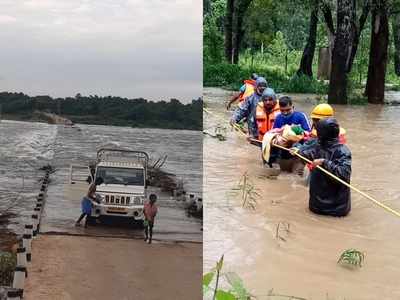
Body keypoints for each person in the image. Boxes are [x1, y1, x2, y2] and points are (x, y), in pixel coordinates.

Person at [291, 118, 351, 217]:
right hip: (316, 206)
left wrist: (324, 162)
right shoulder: (316, 145)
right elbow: (304, 153)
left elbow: (344, 174)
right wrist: (297, 151)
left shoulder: (342, 151)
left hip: (337, 208)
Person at [267, 96, 311, 172]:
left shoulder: (300, 116)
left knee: (297, 175)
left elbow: (309, 135)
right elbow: (272, 134)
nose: (285, 113)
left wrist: (296, 130)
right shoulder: (278, 118)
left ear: (292, 107)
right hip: (284, 152)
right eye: (282, 110)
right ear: (279, 109)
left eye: (288, 110)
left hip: (298, 152)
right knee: (284, 175)